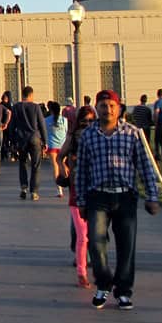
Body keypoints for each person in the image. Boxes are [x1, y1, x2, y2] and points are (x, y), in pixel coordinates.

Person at [75, 89, 161, 310]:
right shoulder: (88, 135)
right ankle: (103, 284)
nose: (108, 110)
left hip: (125, 196)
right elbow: (82, 170)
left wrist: (152, 196)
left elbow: (145, 166)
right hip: (98, 196)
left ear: (119, 107)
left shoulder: (131, 133)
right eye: (103, 106)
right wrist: (81, 201)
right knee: (95, 242)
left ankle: (123, 291)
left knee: (126, 246)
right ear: (97, 108)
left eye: (112, 105)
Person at [58, 105, 97, 288]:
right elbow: (61, 155)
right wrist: (64, 168)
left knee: (95, 234)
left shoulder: (99, 138)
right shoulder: (74, 137)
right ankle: (82, 271)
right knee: (83, 234)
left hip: (97, 189)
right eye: (84, 121)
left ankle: (96, 266)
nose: (88, 124)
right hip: (78, 188)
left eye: (91, 120)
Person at [9, 86, 47, 200]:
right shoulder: (36, 107)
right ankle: (34, 191)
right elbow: (42, 125)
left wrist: (12, 140)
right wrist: (45, 141)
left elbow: (12, 125)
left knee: (23, 163)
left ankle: (24, 188)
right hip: (35, 138)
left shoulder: (16, 107)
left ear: (22, 95)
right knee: (36, 165)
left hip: (21, 139)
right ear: (31, 95)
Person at [45, 100, 68, 198]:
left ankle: (59, 190)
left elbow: (45, 133)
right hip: (63, 146)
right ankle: (67, 181)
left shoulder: (46, 120)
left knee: (55, 167)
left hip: (52, 146)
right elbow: (67, 132)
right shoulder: (64, 120)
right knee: (63, 165)